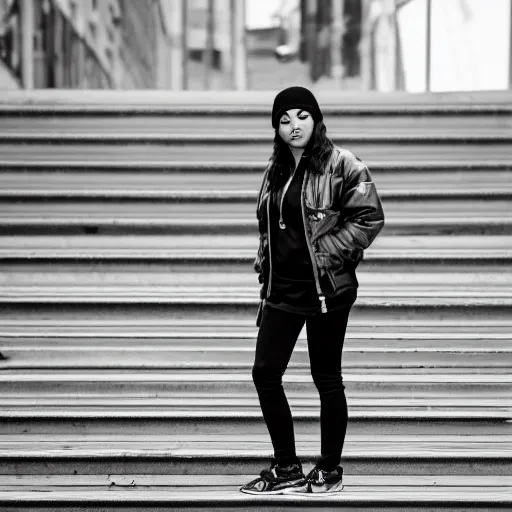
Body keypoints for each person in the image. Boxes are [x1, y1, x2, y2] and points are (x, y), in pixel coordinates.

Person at [240, 86, 385, 495]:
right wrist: (265, 263)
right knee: (265, 373)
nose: (293, 126)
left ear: (316, 119)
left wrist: (326, 253)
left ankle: (329, 471)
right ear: (277, 128)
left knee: (326, 377)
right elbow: (270, 227)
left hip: (327, 290)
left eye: (301, 116)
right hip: (281, 291)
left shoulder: (343, 165)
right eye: (284, 120)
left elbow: (369, 218)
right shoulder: (275, 170)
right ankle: (286, 467)